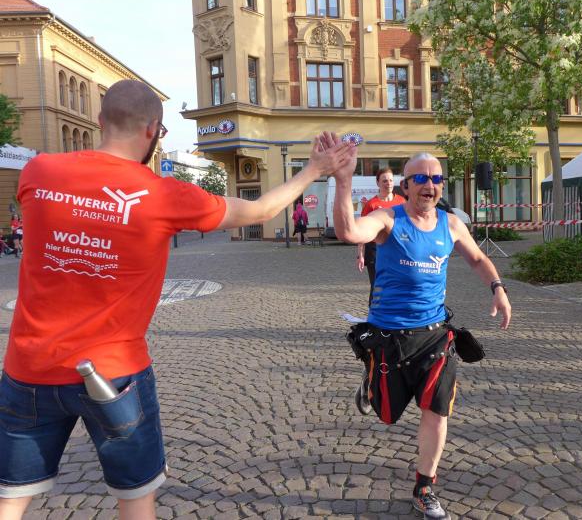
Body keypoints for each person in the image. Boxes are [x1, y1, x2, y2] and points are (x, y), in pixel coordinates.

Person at [0, 80, 356, 520]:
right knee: (135, 499)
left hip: (29, 368)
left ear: (100, 121)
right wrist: (314, 168)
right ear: (153, 130)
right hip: (114, 374)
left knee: (10, 497)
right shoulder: (164, 195)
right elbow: (261, 210)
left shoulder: (39, 172)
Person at [332, 151, 511, 520]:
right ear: (405, 186)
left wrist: (497, 287)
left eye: (436, 178)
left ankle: (424, 487)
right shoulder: (388, 219)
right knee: (386, 414)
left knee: (437, 411)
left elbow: (478, 259)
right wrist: (343, 180)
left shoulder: (451, 223)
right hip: (390, 337)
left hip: (434, 336)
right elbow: (348, 232)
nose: (430, 185)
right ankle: (370, 380)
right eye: (422, 178)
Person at [356, 167, 405, 305]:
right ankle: (374, 314)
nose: (388, 183)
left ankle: (393, 312)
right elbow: (362, 231)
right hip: (375, 250)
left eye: (390, 180)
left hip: (397, 249)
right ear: (378, 183)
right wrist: (360, 255)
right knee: (377, 285)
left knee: (397, 283)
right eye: (384, 181)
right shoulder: (371, 205)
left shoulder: (402, 202)